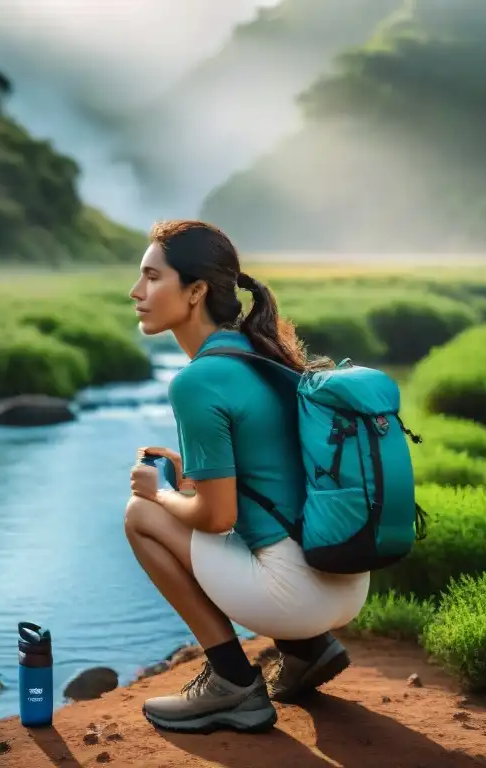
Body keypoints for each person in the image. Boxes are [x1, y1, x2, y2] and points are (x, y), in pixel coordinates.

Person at [124, 219, 371, 734]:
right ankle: (307, 652)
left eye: (151, 277)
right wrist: (192, 479)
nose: (136, 291)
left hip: (297, 594)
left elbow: (217, 518)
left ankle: (232, 684)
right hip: (344, 577)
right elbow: (271, 474)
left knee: (139, 516)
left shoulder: (197, 381)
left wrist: (162, 495)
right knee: (192, 508)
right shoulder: (262, 349)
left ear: (194, 292)